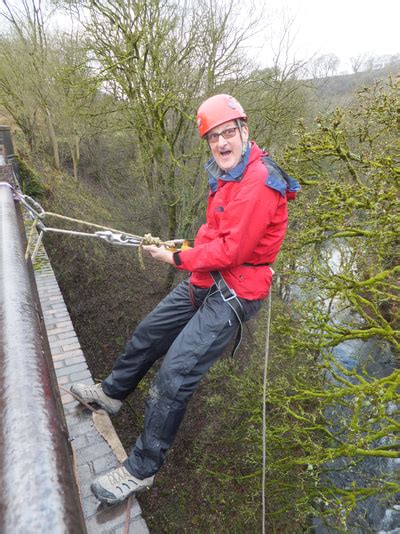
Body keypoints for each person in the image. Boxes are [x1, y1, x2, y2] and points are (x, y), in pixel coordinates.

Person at [71, 94, 299, 505]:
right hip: (208, 277)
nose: (222, 143)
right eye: (214, 137)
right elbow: (216, 232)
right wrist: (190, 245)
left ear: (245, 131)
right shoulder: (227, 175)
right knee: (149, 332)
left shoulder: (259, 182)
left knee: (173, 377)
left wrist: (176, 257)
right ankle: (112, 393)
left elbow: (233, 251)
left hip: (235, 292)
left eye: (228, 133)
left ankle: (142, 468)